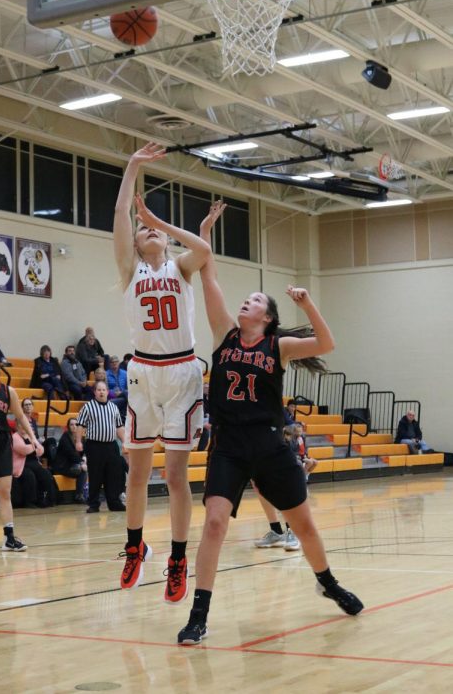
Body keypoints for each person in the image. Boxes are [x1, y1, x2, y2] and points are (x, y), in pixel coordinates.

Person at [177, 202, 363, 646]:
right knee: (216, 523)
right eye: (249, 298)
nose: (248, 300)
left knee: (305, 528)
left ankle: (328, 582)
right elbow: (209, 275)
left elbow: (327, 343)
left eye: (257, 300)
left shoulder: (278, 346)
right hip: (227, 444)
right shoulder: (224, 334)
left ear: (268, 317)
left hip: (268, 444)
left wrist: (308, 300)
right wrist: (205, 230)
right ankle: (199, 613)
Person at [114, 142, 210, 602]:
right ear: (134, 243)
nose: (146, 233)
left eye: (151, 231)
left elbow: (204, 247)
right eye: (141, 230)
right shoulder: (130, 271)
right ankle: (134, 546)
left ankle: (177, 558)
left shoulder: (181, 267)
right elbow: (118, 218)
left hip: (182, 373)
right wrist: (132, 167)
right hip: (142, 374)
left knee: (175, 477)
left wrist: (157, 221)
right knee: (136, 473)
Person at [0, 356, 38, 550]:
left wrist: (34, 439)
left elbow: (20, 417)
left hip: (1, 446)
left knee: (4, 492)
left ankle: (9, 538)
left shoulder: (8, 391)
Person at [75, 381, 126, 513]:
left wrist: (125, 442)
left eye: (104, 389)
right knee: (96, 475)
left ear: (107, 392)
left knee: (112, 475)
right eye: (99, 390)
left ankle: (114, 502)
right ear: (95, 392)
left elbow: (119, 427)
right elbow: (80, 425)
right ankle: (93, 504)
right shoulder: (88, 407)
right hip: (94, 445)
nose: (102, 392)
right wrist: (78, 441)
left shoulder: (113, 407)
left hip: (111, 445)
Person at [11, 418, 45, 508]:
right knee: (30, 475)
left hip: (33, 462)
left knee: (45, 474)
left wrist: (33, 447)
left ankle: (44, 499)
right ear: (18, 425)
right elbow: (23, 450)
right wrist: (34, 447)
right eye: (23, 424)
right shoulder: (15, 437)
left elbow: (41, 450)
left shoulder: (31, 436)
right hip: (20, 465)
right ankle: (30, 502)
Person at [53, 417, 88, 503]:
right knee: (82, 470)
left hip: (74, 464)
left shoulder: (80, 438)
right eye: (71, 424)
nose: (74, 426)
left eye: (76, 424)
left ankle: (87, 495)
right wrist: (81, 463)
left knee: (87, 469)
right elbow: (71, 454)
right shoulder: (65, 438)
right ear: (68, 427)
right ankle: (79, 496)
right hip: (63, 466)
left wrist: (84, 459)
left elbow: (85, 451)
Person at [106, 355, 128, 420]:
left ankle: (122, 418)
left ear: (119, 363)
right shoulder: (106, 374)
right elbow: (105, 389)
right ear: (110, 364)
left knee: (126, 394)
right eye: (112, 362)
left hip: (123, 396)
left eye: (116, 362)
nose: (114, 363)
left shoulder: (125, 373)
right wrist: (113, 393)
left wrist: (121, 393)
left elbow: (128, 387)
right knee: (126, 397)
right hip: (113, 397)